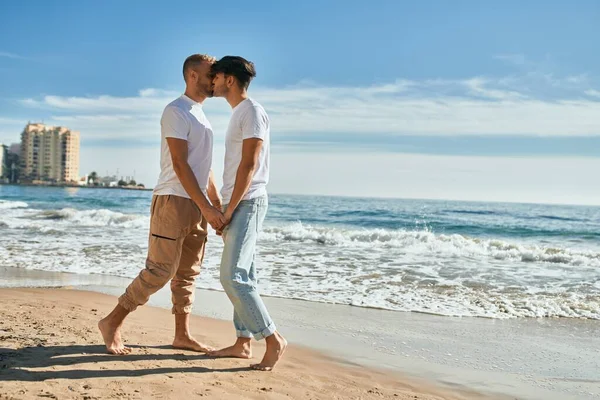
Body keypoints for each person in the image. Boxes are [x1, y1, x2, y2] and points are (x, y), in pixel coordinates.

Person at [98, 54, 225, 355]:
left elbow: (204, 168)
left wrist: (216, 206)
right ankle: (112, 322)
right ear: (193, 75)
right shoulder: (176, 110)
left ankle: (182, 335)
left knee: (187, 273)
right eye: (211, 73)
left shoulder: (203, 116)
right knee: (159, 270)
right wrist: (206, 207)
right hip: (173, 200)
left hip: (197, 203)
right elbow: (180, 165)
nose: (216, 79)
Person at [209, 56, 287, 371]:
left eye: (215, 77)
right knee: (246, 276)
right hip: (239, 202)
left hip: (248, 202)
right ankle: (243, 343)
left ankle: (272, 339)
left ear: (229, 79)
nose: (210, 82)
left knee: (232, 277)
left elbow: (250, 164)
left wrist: (229, 208)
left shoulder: (252, 112)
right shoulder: (239, 113)